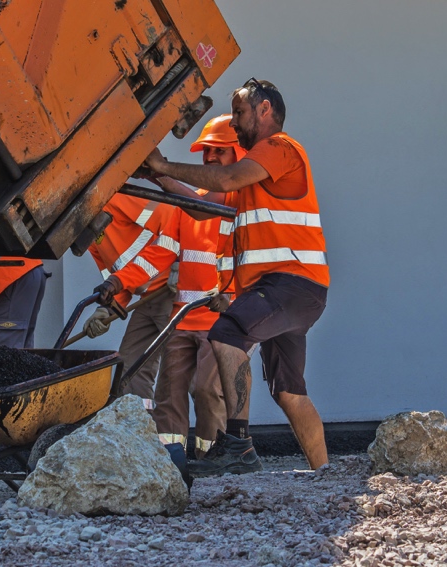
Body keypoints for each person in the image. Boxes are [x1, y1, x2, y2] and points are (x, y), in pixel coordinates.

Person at [143, 78, 330, 476]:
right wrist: (159, 177)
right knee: (289, 392)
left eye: (240, 112)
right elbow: (200, 208)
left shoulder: (279, 148)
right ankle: (323, 472)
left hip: (289, 283)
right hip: (291, 289)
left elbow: (225, 180)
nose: (235, 123)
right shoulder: (255, 173)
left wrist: (164, 164)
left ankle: (239, 444)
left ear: (265, 110)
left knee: (226, 334)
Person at [95, 115, 245, 464]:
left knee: (207, 390)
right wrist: (117, 284)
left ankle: (213, 458)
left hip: (219, 321)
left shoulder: (240, 206)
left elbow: (242, 260)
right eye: (206, 153)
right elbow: (159, 254)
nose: (209, 159)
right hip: (184, 317)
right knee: (169, 393)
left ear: (238, 154)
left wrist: (161, 173)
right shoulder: (191, 206)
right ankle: (170, 458)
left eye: (218, 153)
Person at [83, 193, 176, 403]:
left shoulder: (113, 202)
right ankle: (138, 426)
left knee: (184, 363)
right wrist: (106, 311)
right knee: (130, 368)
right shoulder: (90, 239)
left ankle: (218, 430)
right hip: (148, 298)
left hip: (172, 292)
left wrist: (184, 262)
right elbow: (117, 282)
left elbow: (170, 216)